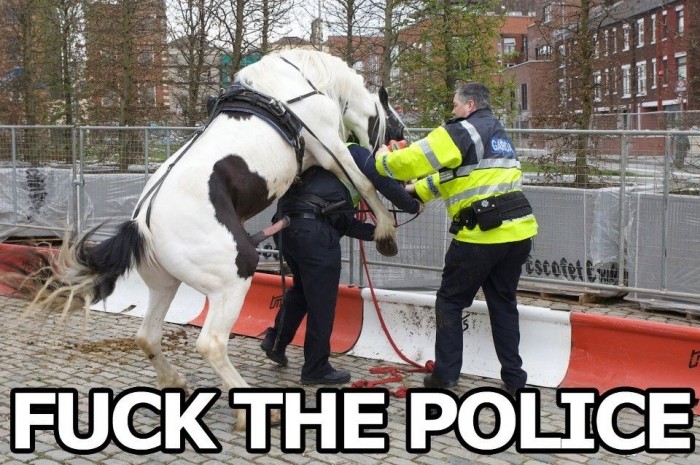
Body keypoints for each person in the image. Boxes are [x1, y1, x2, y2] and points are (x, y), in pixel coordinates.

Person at [374, 82, 538, 395]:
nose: (452, 110)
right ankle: (515, 378)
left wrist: (383, 160)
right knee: (503, 304)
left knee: (450, 301)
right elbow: (459, 176)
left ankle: (445, 376)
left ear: (470, 105)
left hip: (480, 236)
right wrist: (417, 190)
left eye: (455, 105)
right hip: (518, 234)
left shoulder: (463, 130)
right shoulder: (497, 134)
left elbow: (413, 160)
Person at [261, 141, 423, 385]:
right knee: (322, 304)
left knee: (302, 290)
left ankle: (276, 341)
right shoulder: (353, 151)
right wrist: (412, 206)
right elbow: (385, 183)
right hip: (315, 234)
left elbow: (342, 222)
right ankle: (316, 368)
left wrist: (379, 232)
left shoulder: (321, 158)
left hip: (287, 229)